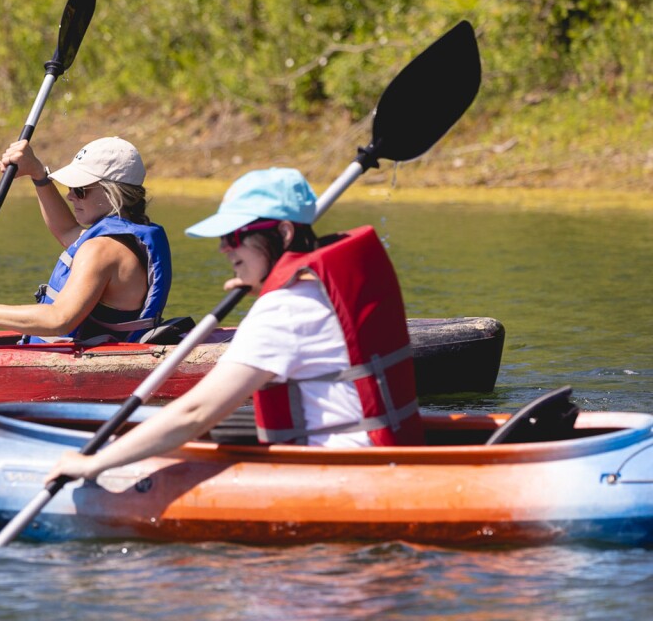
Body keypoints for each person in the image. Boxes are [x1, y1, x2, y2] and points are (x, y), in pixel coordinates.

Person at [51, 168, 424, 481]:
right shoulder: (320, 288)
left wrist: (94, 463)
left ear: (283, 235)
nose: (224, 249)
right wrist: (264, 287)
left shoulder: (285, 308)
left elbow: (194, 413)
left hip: (345, 476)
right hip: (377, 459)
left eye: (235, 237)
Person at [0, 136, 172, 350]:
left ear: (114, 193)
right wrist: (38, 174)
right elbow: (66, 231)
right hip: (74, 351)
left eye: (80, 190)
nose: (70, 197)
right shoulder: (123, 239)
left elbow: (58, 320)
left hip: (71, 365)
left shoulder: (102, 250)